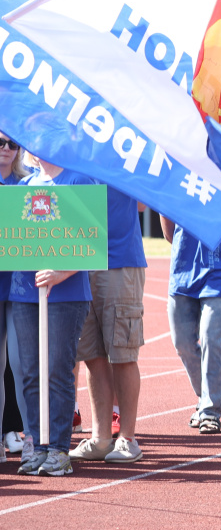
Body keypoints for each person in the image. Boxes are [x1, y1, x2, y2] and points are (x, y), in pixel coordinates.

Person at [10, 154, 91, 477]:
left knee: (57, 371)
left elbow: (92, 239)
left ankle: (58, 448)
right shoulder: (25, 186)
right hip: (25, 292)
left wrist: (62, 272)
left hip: (66, 295)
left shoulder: (78, 180)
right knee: (30, 372)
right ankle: (35, 444)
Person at [69, 170, 149, 465]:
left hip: (118, 261)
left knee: (123, 353)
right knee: (92, 355)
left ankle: (127, 438)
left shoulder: (121, 147)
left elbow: (142, 203)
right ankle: (102, 437)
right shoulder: (73, 147)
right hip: (80, 259)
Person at [160, 217, 221, 436]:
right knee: (181, 342)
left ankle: (210, 411)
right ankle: (204, 397)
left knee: (212, 338)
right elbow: (166, 222)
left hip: (219, 269)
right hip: (183, 268)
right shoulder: (178, 181)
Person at [0, 133, 28, 459]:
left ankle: (31, 437)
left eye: (13, 144)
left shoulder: (29, 185)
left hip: (22, 287)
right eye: (0, 143)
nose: (7, 149)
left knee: (21, 365)